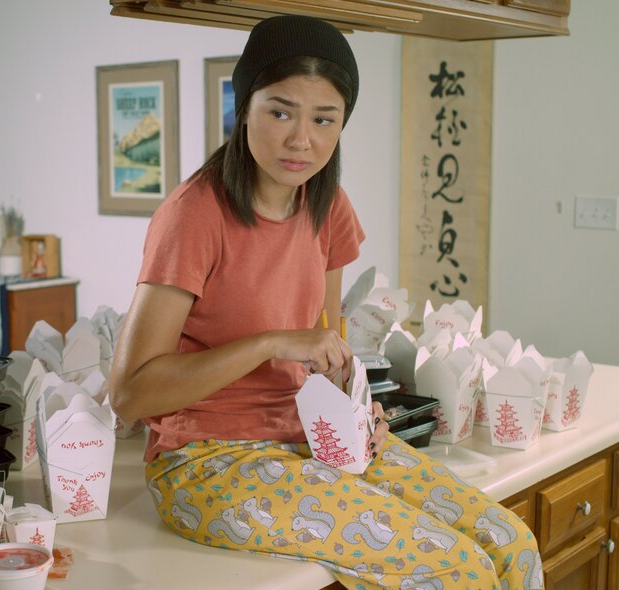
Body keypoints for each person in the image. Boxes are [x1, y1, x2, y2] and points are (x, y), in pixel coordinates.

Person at [109, 15, 542, 589]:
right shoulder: (193, 216)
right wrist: (269, 343)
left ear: (342, 124)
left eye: (324, 119)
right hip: (206, 463)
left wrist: (355, 405)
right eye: (280, 111)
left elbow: (326, 349)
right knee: (458, 569)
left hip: (313, 439)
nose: (300, 139)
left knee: (512, 542)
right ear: (245, 108)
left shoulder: (326, 203)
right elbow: (130, 393)